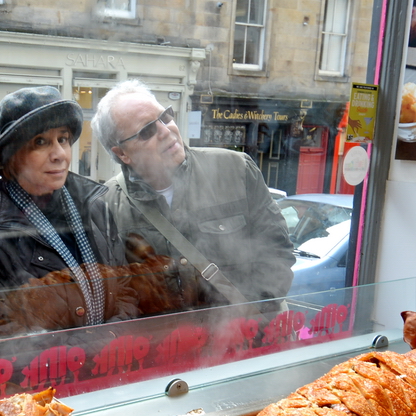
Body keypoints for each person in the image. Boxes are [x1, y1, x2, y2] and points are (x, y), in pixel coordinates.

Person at [91, 80, 295, 312]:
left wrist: (249, 320)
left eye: (166, 116)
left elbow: (276, 254)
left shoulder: (236, 169)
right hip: (166, 345)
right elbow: (113, 296)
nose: (166, 131)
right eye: (147, 131)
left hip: (242, 337)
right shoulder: (104, 207)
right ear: (122, 153)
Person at [0, 86, 137, 337]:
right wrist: (93, 349)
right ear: (10, 157)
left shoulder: (95, 206)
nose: (60, 154)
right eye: (41, 142)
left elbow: (126, 286)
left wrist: (114, 340)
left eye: (63, 139)